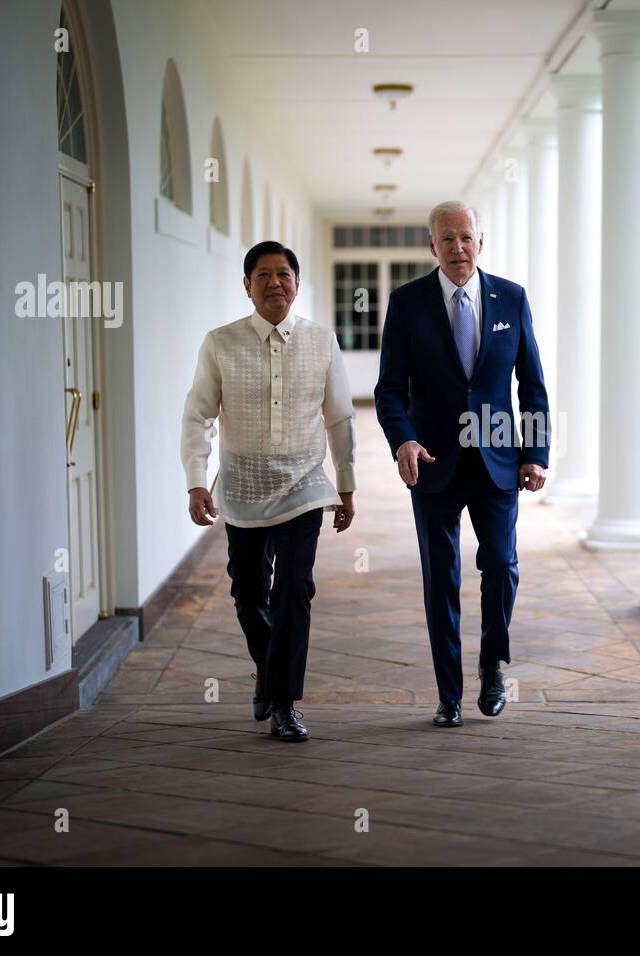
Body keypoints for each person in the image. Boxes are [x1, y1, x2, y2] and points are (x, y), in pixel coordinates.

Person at [375, 201, 550, 727]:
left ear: (481, 241)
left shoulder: (511, 298)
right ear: (432, 246)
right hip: (432, 462)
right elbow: (388, 390)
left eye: (466, 237)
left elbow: (533, 386)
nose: (458, 248)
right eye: (447, 239)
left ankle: (492, 662)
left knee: (501, 563)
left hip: (498, 460)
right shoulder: (408, 304)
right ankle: (448, 694)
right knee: (441, 578)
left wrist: (535, 454)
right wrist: (403, 441)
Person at [181, 241, 356, 742]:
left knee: (295, 590)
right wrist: (197, 479)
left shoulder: (322, 341)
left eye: (284, 274)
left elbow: (339, 417)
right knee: (248, 591)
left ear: (297, 283)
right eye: (263, 275)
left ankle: (283, 702)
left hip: (304, 486)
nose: (274, 283)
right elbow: (198, 415)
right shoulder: (220, 343)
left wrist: (346, 485)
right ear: (247, 286)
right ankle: (269, 665)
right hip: (242, 487)